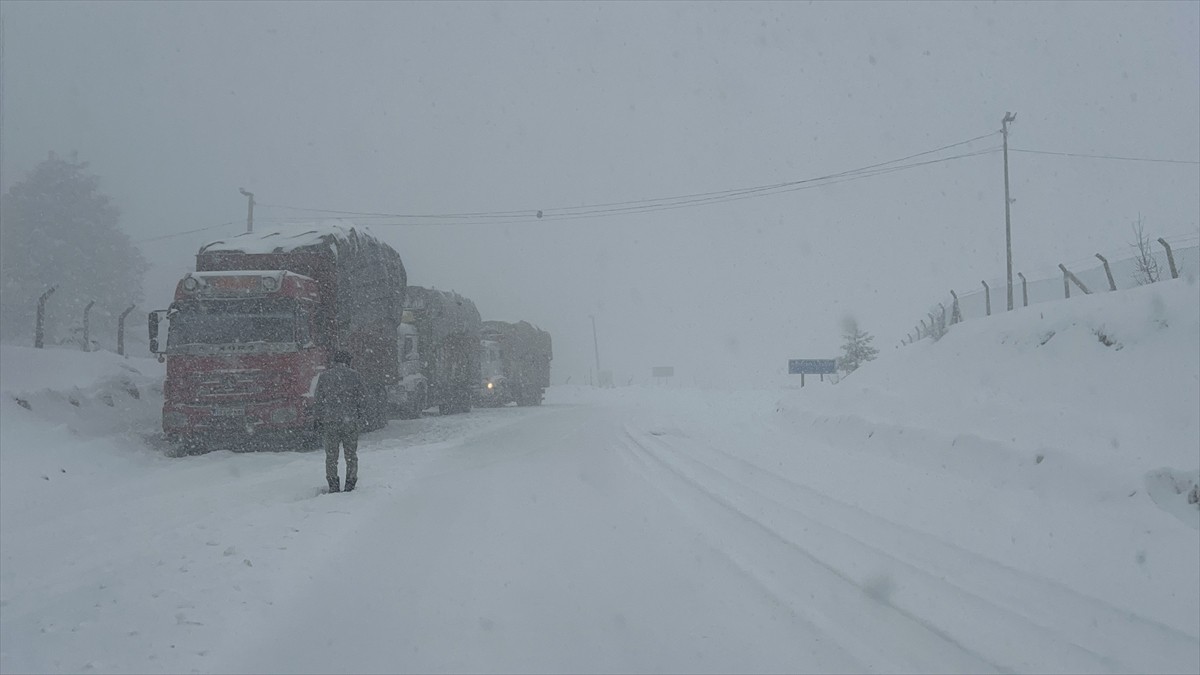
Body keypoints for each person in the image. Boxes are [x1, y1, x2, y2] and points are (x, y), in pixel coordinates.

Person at [314, 350, 365, 492]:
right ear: (348, 361)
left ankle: (333, 483)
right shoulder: (355, 376)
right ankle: (350, 482)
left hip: (330, 421)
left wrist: (318, 418)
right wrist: (359, 415)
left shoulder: (324, 377)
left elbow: (318, 400)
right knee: (351, 455)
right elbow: (362, 398)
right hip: (350, 420)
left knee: (331, 456)